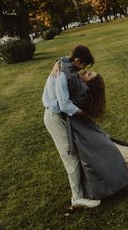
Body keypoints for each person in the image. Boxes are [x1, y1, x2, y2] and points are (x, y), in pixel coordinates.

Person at [52, 61, 128, 201]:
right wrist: (58, 63)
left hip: (86, 133)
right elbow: (70, 67)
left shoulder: (83, 94)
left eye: (88, 74)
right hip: (87, 132)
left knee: (119, 155)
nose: (84, 72)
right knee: (120, 150)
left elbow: (65, 101)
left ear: (89, 85)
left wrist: (60, 68)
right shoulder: (81, 88)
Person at [42, 45, 101, 208]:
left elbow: (62, 59)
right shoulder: (62, 74)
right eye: (83, 66)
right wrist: (82, 112)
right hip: (54, 117)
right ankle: (77, 197)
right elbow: (64, 105)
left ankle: (83, 189)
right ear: (77, 60)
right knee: (70, 156)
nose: (83, 70)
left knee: (74, 152)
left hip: (59, 117)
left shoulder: (65, 63)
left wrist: (57, 61)